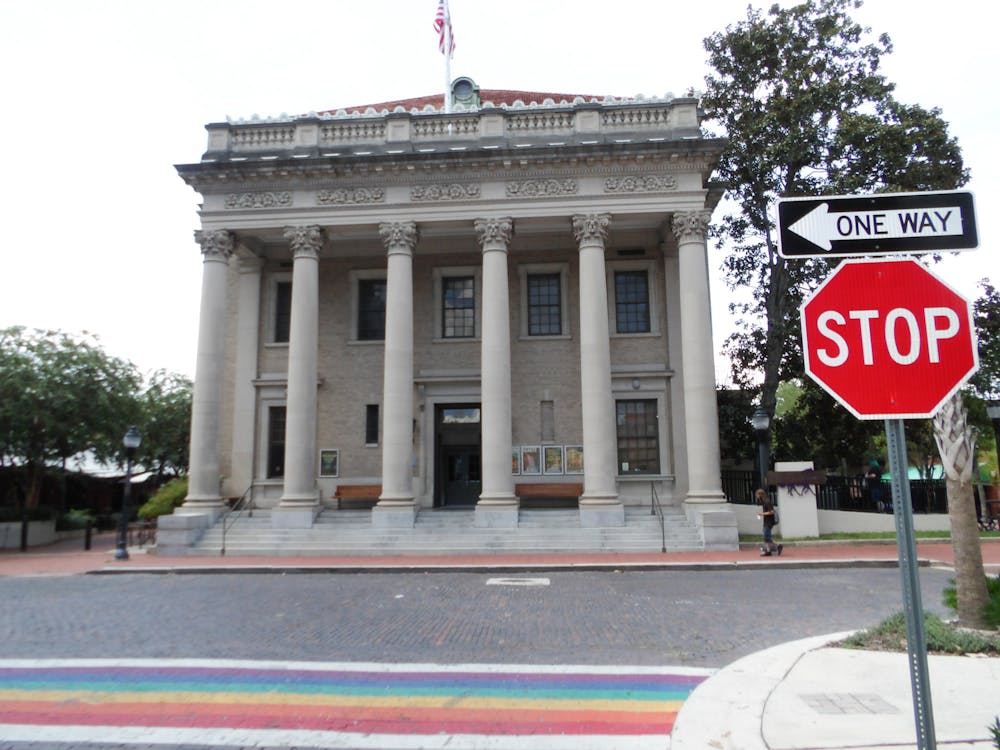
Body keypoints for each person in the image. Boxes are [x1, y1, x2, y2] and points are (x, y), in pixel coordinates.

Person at [755, 488, 782, 557]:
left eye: (757, 495)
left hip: (769, 522)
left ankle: (778, 545)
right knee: (765, 537)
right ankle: (768, 551)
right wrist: (762, 514)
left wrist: (762, 514)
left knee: (767, 536)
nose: (756, 496)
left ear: (760, 494)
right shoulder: (764, 501)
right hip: (766, 521)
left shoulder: (767, 501)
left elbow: (772, 512)